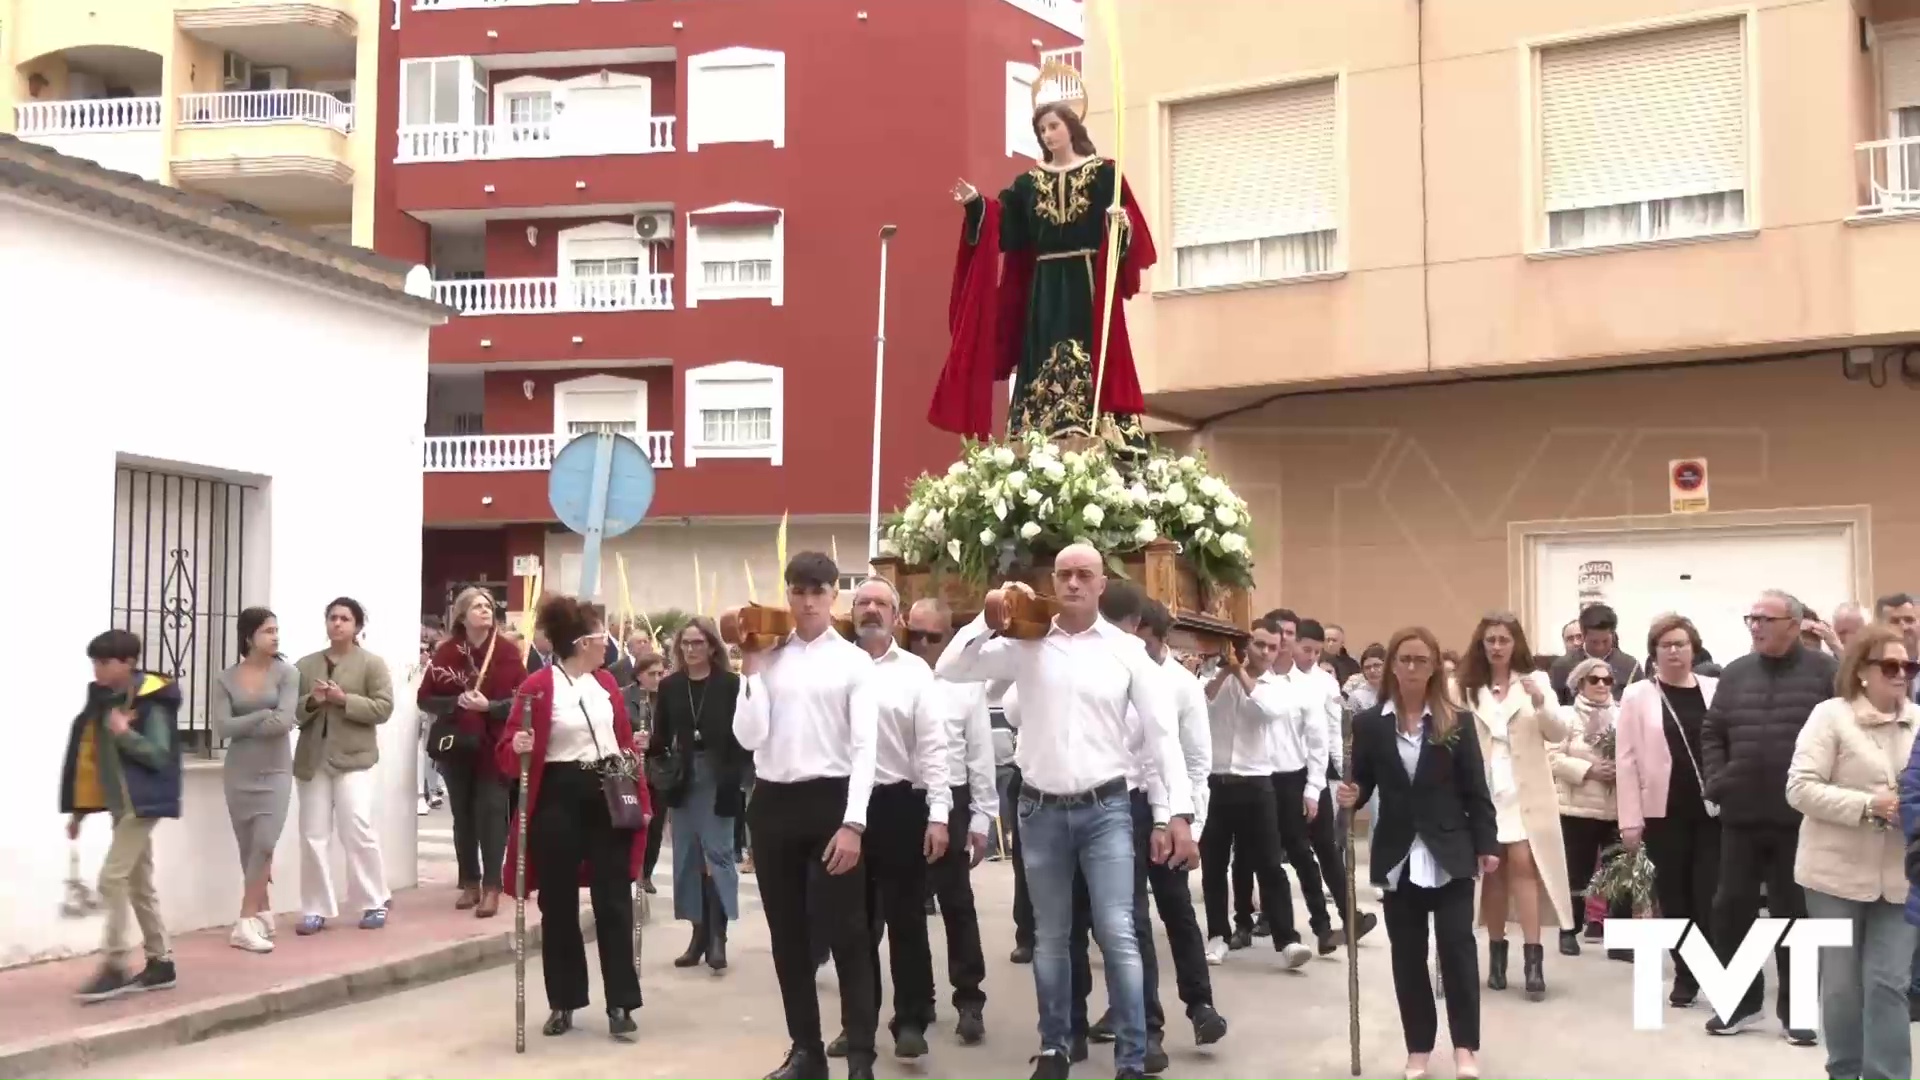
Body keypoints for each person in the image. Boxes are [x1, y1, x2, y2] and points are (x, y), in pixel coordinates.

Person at [936, 543, 1198, 1080]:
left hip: (1107, 809)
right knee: (1051, 937)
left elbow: (1162, 737)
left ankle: (1131, 1055)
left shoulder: (1126, 651)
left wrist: (1178, 814)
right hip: (1040, 810)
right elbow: (950, 668)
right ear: (1053, 581)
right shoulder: (1027, 642)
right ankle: (1055, 1047)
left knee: (1118, 931)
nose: (1074, 583)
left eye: (1085, 575)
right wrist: (985, 622)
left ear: (1102, 584)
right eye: (1065, 574)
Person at [732, 552, 881, 1080]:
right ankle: (806, 1051)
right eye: (800, 590)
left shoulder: (854, 662)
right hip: (773, 802)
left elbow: (866, 749)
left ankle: (860, 1055)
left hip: (831, 801)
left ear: (834, 595)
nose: (809, 600)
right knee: (787, 936)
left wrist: (854, 822)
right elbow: (748, 737)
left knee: (847, 933)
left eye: (819, 590)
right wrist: (749, 668)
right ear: (789, 594)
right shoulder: (769, 658)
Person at [932, 92, 1156, 443]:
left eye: (1054, 126)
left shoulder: (1104, 174)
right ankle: (1037, 423)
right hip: (1046, 284)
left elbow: (1131, 232)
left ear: (1071, 127)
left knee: (1093, 346)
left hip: (1086, 281)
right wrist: (977, 205)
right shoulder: (1028, 184)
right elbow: (1006, 227)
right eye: (1042, 130)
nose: (1048, 134)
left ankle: (1099, 421)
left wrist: (1119, 224)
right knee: (1042, 346)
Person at [1337, 626, 1498, 1080]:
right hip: (1398, 853)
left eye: (1420, 660)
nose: (1411, 668)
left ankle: (1466, 1047)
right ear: (1391, 665)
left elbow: (1475, 790)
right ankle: (1419, 1048)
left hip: (1450, 851)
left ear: (1433, 668)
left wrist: (1487, 844)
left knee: (1457, 951)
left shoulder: (1456, 722)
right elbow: (1365, 779)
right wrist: (1353, 795)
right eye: (1404, 659)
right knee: (1407, 956)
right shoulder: (1369, 723)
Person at [1077, 594, 1227, 1065]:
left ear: (1156, 636)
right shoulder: (1104, 672)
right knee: (1126, 919)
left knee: (1176, 909)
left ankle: (1200, 1004)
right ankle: (1143, 1020)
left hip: (1164, 810)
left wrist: (1190, 828)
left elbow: (1196, 763)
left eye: (1138, 639)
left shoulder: (1179, 686)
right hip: (1112, 807)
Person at [501, 596, 650, 1039]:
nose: (607, 646)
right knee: (558, 904)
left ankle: (621, 1002)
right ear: (581, 642)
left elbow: (620, 737)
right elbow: (509, 746)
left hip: (606, 791)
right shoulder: (538, 686)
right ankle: (563, 1001)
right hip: (559, 796)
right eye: (601, 638)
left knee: (613, 900)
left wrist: (633, 756)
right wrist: (518, 746)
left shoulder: (605, 683)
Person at [1699, 589, 1836, 1043]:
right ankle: (1738, 1005)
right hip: (1740, 815)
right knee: (1729, 908)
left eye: (1765, 619)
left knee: (1794, 913)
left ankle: (1797, 1013)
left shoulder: (1825, 673)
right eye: (1750, 618)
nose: (1755, 625)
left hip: (1800, 818)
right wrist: (1717, 780)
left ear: (1795, 626)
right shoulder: (1735, 673)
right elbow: (1713, 731)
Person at [825, 580, 949, 1061]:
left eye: (881, 603)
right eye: (862, 602)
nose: (870, 609)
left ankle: (912, 1019)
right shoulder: (833, 664)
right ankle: (857, 1024)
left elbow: (933, 748)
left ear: (897, 617)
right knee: (851, 924)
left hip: (898, 805)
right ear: (851, 612)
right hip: (841, 807)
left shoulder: (916, 672)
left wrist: (939, 814)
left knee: (905, 920)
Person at [1790, 625, 1916, 1080]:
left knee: (1889, 983)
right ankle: (1844, 1072)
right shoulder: (1830, 717)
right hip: (1834, 876)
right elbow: (1800, 789)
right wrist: (1869, 806)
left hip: (1902, 878)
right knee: (1842, 986)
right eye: (1890, 665)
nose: (1902, 674)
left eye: (1909, 666)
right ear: (1862, 672)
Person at [1456, 613, 1571, 1001]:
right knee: (1493, 870)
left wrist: (1540, 703)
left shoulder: (1535, 682)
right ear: (1481, 643)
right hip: (1484, 789)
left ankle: (1533, 960)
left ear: (1515, 642)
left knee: (1524, 864)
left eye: (1504, 639)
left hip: (1525, 789)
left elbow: (1558, 732)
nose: (1497, 646)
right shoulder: (1466, 688)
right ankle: (1497, 955)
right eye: (1490, 639)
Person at [63, 629, 183, 1002]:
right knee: (138, 883)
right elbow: (89, 757)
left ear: (128, 662)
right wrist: (80, 810)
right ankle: (160, 962)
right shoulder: (105, 700)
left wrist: (125, 734)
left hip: (140, 803)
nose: (97, 668)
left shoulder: (151, 702)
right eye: (94, 662)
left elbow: (160, 754)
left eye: (104, 661)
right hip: (121, 805)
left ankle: (115, 965)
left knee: (111, 880)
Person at [1616, 614, 1720, 1008]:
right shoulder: (1638, 695)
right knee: (1675, 898)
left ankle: (1707, 967)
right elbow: (1625, 760)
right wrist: (1630, 819)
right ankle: (1686, 974)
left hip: (1713, 812)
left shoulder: (1715, 689)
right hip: (1663, 812)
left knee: (1708, 895)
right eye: (1666, 645)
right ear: (1654, 652)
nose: (1674, 651)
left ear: (1694, 649)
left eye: (1681, 644)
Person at [908, 597, 998, 1044]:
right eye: (915, 634)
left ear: (948, 636)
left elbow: (980, 752)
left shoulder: (966, 682)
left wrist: (983, 818)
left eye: (933, 636)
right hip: (905, 799)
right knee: (904, 905)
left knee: (956, 902)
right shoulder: (896, 674)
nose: (923, 644)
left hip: (956, 798)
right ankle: (918, 999)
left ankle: (969, 998)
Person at [1202, 616, 1313, 968]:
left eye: (1272, 646)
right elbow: (1200, 704)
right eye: (1259, 644)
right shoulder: (1214, 677)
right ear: (1244, 645)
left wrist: (1241, 674)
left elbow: (1266, 712)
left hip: (1257, 784)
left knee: (1269, 863)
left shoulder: (1276, 687)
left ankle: (1287, 941)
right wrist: (1226, 671)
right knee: (1214, 864)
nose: (1265, 652)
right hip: (1216, 782)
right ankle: (1218, 935)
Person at [418, 586, 526, 918]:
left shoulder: (506, 652)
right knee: (462, 816)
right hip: (457, 747)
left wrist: (489, 706)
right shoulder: (447, 652)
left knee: (492, 815)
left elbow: (521, 700)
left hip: (493, 747)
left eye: (488, 605)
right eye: (476, 606)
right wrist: (457, 702)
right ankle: (470, 881)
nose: (484, 610)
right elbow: (425, 698)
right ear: (462, 616)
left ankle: (493, 886)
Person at [293, 598, 394, 935]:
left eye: (345, 619)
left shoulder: (371, 664)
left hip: (353, 758)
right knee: (313, 834)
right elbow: (292, 712)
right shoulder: (306, 665)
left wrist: (343, 700)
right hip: (313, 758)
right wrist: (313, 701)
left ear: (357, 626)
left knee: (358, 827)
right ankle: (315, 907)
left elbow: (383, 708)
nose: (337, 624)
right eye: (332, 618)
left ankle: (373, 900)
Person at [654, 618, 746, 972]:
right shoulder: (671, 687)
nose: (691, 649)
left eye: (697, 642)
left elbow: (742, 739)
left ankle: (718, 936)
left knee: (719, 855)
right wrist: (653, 752)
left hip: (718, 776)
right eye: (685, 644)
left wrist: (735, 778)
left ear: (712, 646)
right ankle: (698, 932)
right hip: (683, 776)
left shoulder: (731, 685)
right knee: (687, 858)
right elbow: (661, 736)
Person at [212, 607, 297, 953]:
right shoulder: (225, 679)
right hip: (239, 772)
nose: (275, 636)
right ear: (249, 637)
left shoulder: (287, 674)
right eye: (267, 631)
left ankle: (244, 923)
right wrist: (264, 713)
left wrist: (246, 720)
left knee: (264, 843)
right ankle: (262, 909)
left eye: (277, 630)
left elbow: (284, 723)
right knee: (249, 848)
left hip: (276, 771)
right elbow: (222, 728)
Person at [1547, 657, 1623, 958]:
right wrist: (1589, 771)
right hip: (1576, 808)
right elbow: (1552, 759)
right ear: (1580, 683)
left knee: (1619, 873)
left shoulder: (1622, 715)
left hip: (1616, 806)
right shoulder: (1566, 717)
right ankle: (1569, 930)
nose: (1602, 685)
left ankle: (1619, 937)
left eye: (1607, 680)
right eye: (1595, 680)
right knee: (1575, 875)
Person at [625, 652, 669, 892]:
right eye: (651, 674)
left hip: (659, 769)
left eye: (660, 673)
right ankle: (633, 870)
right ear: (639, 675)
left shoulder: (665, 699)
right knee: (633, 823)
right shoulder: (625, 697)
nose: (657, 678)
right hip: (633, 768)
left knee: (656, 825)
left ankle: (647, 873)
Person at [1548, 605, 1641, 706]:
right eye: (1594, 642)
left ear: (1613, 634)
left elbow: (1640, 706)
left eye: (1605, 641)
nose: (1600, 647)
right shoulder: (1562, 666)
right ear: (1583, 634)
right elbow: (1555, 707)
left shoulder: (1631, 666)